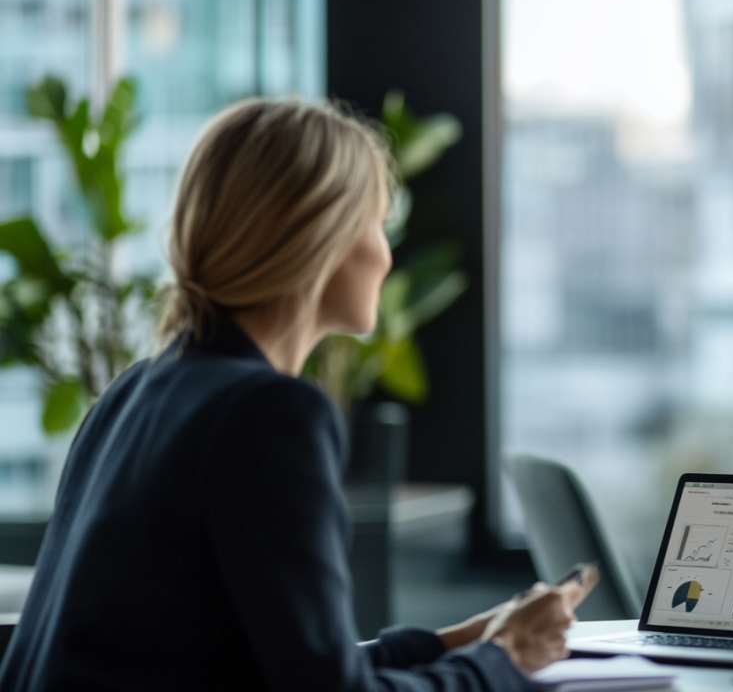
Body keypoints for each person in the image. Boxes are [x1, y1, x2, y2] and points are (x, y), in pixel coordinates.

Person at [0, 99, 594, 691]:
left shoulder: (136, 392)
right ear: (322, 235)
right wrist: (505, 659)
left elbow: (281, 663)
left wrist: (452, 644)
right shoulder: (267, 414)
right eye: (379, 225)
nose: (387, 256)